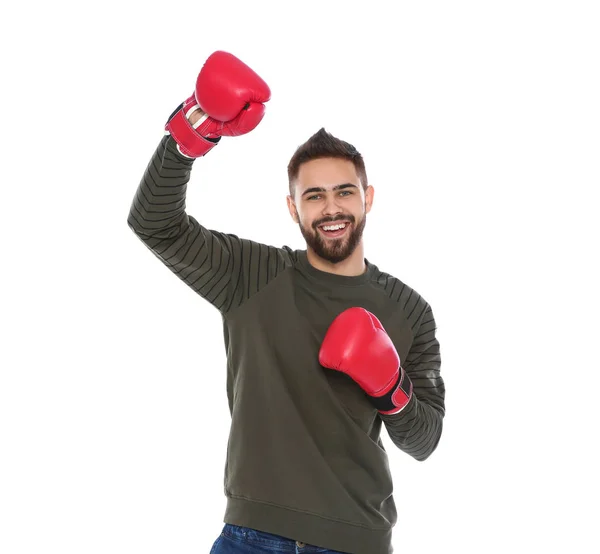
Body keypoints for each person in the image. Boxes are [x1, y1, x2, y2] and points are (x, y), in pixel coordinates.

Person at [127, 51, 445, 554]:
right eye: (314, 196)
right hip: (248, 537)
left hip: (356, 540)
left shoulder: (408, 310)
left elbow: (424, 440)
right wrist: (196, 125)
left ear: (368, 198)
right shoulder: (251, 275)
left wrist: (392, 387)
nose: (332, 207)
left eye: (345, 192)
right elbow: (153, 222)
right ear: (293, 207)